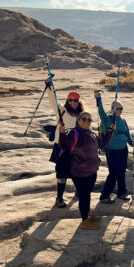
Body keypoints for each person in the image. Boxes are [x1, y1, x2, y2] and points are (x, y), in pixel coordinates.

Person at [59, 112, 114, 230]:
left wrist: (110, 131)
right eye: (84, 119)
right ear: (78, 121)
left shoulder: (92, 134)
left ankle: (88, 214)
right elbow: (63, 145)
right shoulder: (74, 133)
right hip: (79, 172)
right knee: (83, 196)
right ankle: (84, 220)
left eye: (89, 120)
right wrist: (62, 133)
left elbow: (103, 143)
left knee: (87, 194)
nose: (86, 121)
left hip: (92, 171)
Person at [45, 78, 88, 208]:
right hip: (62, 146)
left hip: (76, 148)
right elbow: (53, 100)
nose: (73, 102)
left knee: (77, 171)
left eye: (75, 100)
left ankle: (78, 191)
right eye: (70, 100)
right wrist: (49, 86)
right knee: (61, 172)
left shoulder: (82, 114)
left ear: (79, 101)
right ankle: (59, 197)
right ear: (67, 101)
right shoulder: (61, 111)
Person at [95, 92, 134, 204]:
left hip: (123, 149)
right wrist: (98, 99)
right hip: (112, 150)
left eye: (120, 108)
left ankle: (121, 193)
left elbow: (127, 133)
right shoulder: (107, 119)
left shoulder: (123, 120)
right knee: (114, 173)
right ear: (112, 109)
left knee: (122, 171)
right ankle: (104, 196)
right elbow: (101, 111)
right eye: (115, 108)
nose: (118, 110)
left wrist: (132, 143)